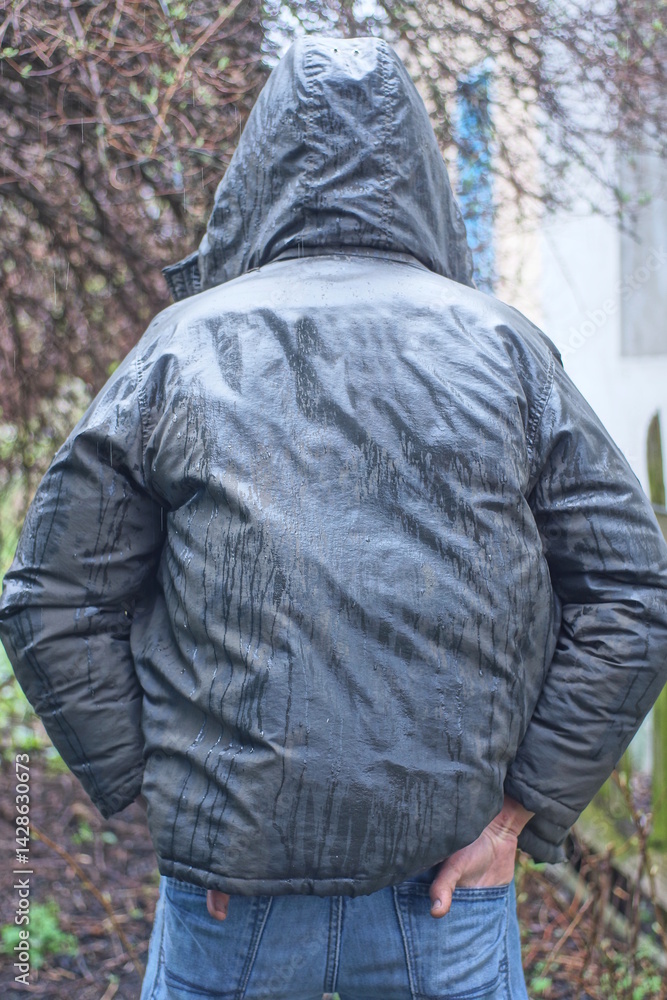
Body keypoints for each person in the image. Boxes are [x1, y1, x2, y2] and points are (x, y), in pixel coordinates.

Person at [1, 34, 667, 1000]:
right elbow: (630, 590)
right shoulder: (504, 350)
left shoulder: (180, 351)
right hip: (445, 894)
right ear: (421, 174)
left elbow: (49, 598)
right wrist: (518, 818)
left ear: (258, 169)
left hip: (260, 894)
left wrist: (166, 803)